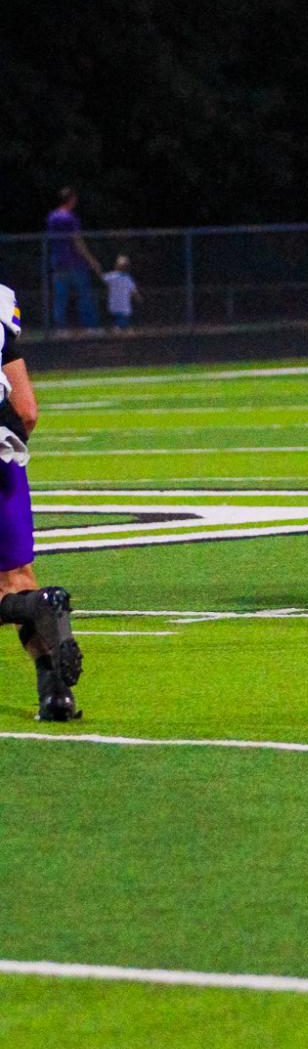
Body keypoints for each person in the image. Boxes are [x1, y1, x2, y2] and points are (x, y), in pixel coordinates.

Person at [0, 283, 83, 721]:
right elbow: (27, 409)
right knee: (17, 579)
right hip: (4, 455)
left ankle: (36, 607)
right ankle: (56, 695)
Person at [46, 187, 104, 329]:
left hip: (58, 262)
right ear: (71, 199)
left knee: (60, 298)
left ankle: (60, 329)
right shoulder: (70, 218)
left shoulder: (52, 217)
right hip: (76, 263)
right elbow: (77, 242)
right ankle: (91, 328)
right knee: (85, 296)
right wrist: (92, 261)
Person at [104, 254, 140, 330]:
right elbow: (134, 291)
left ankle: (117, 328)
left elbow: (104, 279)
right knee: (123, 320)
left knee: (119, 319)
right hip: (124, 305)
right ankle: (119, 329)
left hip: (114, 304)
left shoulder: (111, 276)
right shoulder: (128, 279)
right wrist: (138, 298)